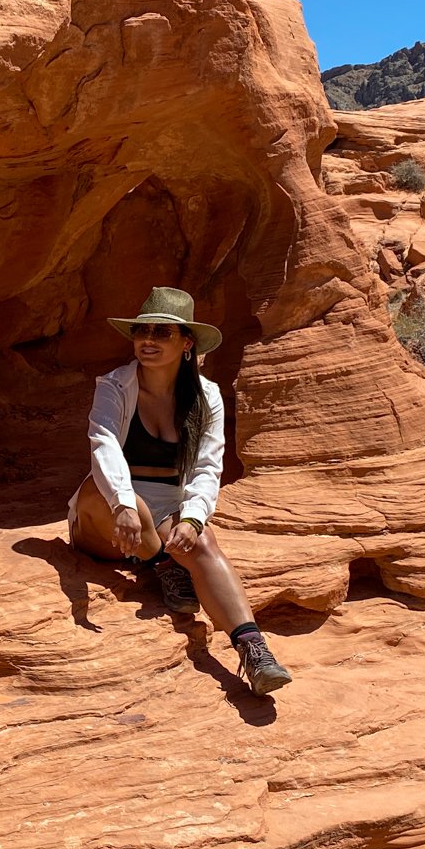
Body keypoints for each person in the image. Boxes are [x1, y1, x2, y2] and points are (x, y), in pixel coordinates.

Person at [67, 286, 293, 693]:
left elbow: (209, 465)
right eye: (142, 332)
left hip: (167, 505)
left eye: (162, 333)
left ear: (186, 343)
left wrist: (192, 517)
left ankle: (254, 651)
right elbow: (103, 447)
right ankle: (163, 565)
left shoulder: (206, 397)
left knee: (203, 542)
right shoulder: (114, 386)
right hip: (105, 515)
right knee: (133, 502)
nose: (148, 341)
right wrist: (123, 505)